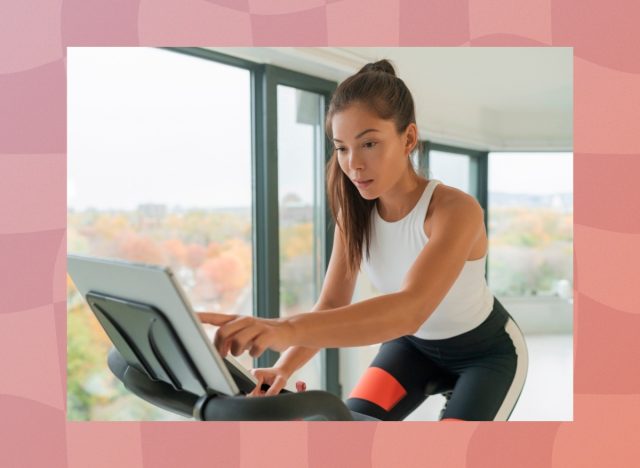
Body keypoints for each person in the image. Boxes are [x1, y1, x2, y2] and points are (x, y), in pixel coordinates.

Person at [199, 59, 528, 421]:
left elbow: (410, 310)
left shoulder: (454, 210)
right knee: (349, 431)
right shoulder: (354, 214)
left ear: (409, 138)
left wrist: (282, 328)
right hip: (411, 351)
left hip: (485, 355)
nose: (353, 163)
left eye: (368, 143)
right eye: (341, 148)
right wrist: (284, 367)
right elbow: (332, 303)